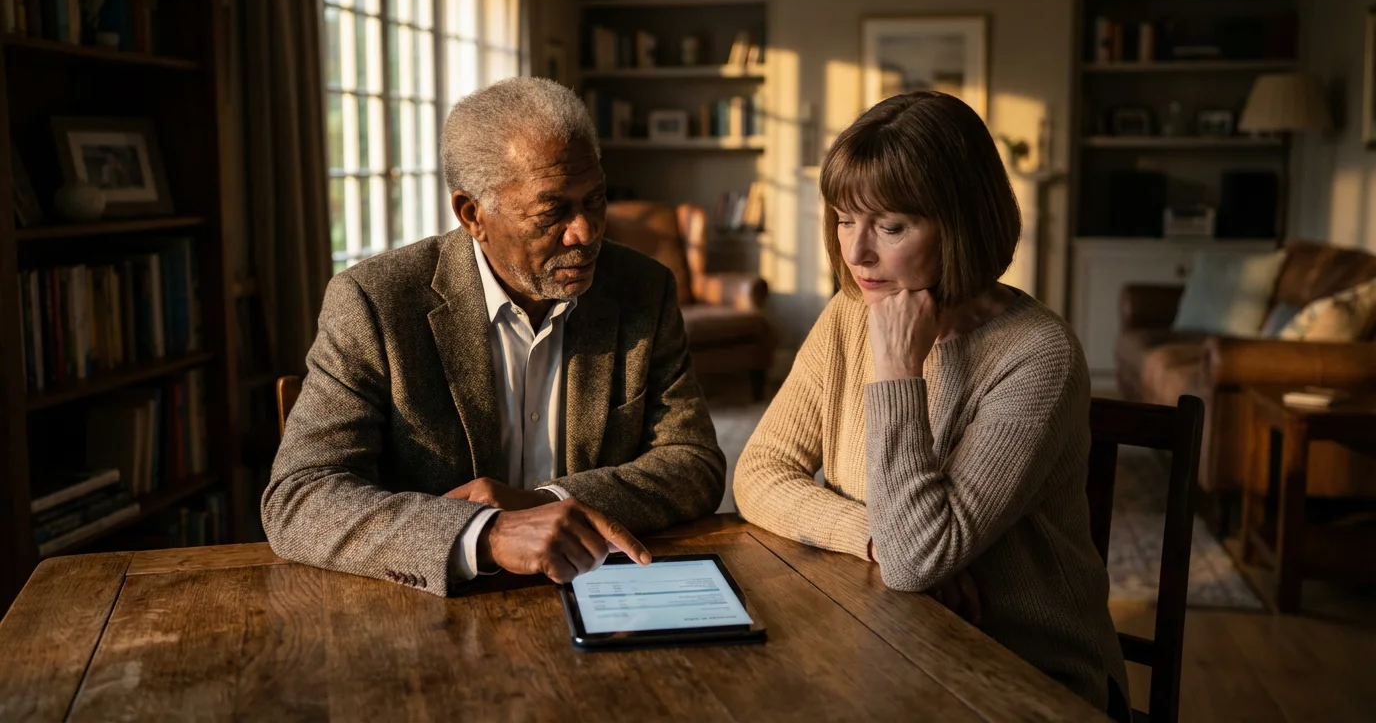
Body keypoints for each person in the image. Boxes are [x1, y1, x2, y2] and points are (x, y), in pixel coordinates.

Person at [732, 91, 1130, 716]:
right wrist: (871, 537)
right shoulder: (847, 316)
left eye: (890, 226)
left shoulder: (1037, 355)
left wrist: (897, 369)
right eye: (843, 219)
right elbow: (757, 474)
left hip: (1023, 676)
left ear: (962, 222)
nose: (856, 252)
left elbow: (917, 559)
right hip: (881, 639)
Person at [263, 77, 726, 594]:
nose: (586, 231)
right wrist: (485, 533)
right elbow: (301, 497)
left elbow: (694, 462)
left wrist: (548, 502)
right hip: (430, 608)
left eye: (595, 200)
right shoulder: (374, 303)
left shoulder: (643, 287)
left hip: (600, 592)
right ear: (472, 215)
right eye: (553, 211)